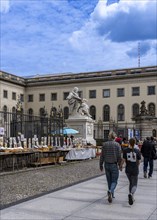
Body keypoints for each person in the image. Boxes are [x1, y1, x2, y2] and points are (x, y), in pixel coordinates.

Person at [99, 131, 122, 203]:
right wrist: (120, 164)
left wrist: (100, 164)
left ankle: (111, 194)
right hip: (114, 165)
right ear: (115, 137)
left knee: (109, 181)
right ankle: (110, 191)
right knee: (114, 181)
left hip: (106, 164)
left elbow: (102, 156)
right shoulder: (117, 145)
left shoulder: (104, 144)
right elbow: (119, 156)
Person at [122, 138, 141, 205]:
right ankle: (131, 194)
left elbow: (123, 160)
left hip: (128, 169)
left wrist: (121, 166)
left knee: (131, 182)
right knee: (134, 184)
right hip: (134, 169)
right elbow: (139, 161)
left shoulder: (125, 150)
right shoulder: (137, 151)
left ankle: (131, 196)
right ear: (135, 143)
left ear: (129, 143)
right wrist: (137, 166)